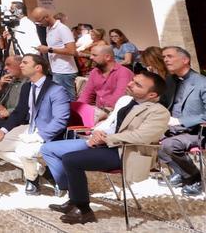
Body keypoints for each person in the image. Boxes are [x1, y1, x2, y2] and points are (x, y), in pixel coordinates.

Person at [41, 70, 170, 224]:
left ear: (152, 95)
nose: (130, 84)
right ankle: (74, 200)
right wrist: (99, 134)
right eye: (133, 80)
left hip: (129, 153)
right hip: (109, 146)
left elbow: (141, 136)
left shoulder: (159, 112)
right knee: (55, 150)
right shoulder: (128, 101)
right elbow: (114, 125)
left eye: (138, 85)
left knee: (71, 160)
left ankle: (83, 210)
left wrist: (107, 139)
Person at [0, 53, 72, 194]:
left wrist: (40, 136)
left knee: (23, 151)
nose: (21, 65)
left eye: (25, 63)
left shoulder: (56, 90)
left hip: (48, 133)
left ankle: (32, 180)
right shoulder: (27, 87)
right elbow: (19, 113)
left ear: (38, 67)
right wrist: (3, 130)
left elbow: (60, 120)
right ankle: (42, 171)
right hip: (29, 129)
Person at [158, 46, 206, 196]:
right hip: (173, 128)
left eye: (170, 56)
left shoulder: (202, 82)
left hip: (197, 131)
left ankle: (196, 178)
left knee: (169, 145)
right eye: (164, 56)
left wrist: (180, 121)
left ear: (185, 60)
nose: (166, 59)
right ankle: (181, 173)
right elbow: (163, 104)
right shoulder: (170, 81)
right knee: (148, 139)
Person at [78, 43, 134, 121]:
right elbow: (86, 94)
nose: (91, 57)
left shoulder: (123, 72)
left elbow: (119, 98)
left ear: (107, 57)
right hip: (99, 112)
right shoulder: (95, 72)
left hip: (117, 114)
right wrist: (79, 109)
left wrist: (100, 112)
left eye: (94, 55)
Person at [32, 7, 77, 97]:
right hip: (56, 69)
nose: (39, 24)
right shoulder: (48, 29)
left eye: (39, 21)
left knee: (67, 99)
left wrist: (49, 49)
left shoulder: (62, 29)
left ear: (46, 17)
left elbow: (72, 51)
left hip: (65, 71)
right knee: (59, 98)